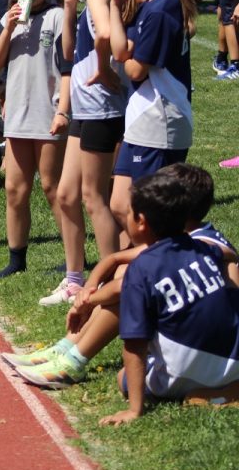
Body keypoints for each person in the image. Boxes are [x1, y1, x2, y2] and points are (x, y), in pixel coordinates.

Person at [7, 164, 238, 390]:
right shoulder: (184, 237)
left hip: (202, 339)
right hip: (197, 338)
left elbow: (127, 287)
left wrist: (88, 301)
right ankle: (66, 348)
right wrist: (88, 288)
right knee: (124, 272)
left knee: (129, 291)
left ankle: (73, 362)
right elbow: (114, 259)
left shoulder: (205, 246)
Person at [99, 169, 239, 426]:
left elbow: (135, 344)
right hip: (233, 361)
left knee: (123, 377)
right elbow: (227, 255)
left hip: (186, 372)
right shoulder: (205, 247)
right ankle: (228, 386)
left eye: (128, 213)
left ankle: (213, 394)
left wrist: (134, 409)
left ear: (141, 222)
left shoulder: (141, 271)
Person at [50, 0, 128, 305]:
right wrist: (68, 6)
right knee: (67, 194)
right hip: (85, 108)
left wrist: (103, 67)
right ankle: (74, 278)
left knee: (93, 197)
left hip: (102, 108)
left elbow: (107, 36)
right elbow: (69, 51)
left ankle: (107, 282)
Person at [0, 0, 71, 279]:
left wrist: (62, 108)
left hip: (49, 112)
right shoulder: (12, 18)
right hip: (18, 112)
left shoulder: (58, 17)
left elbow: (68, 67)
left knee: (52, 186)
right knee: (15, 189)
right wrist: (7, 28)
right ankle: (16, 258)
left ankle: (71, 254)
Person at [108, 0, 197, 227]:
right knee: (120, 204)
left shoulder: (162, 10)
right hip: (142, 117)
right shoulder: (154, 4)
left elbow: (133, 68)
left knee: (151, 216)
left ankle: (171, 263)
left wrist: (127, 58)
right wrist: (115, 5)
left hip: (160, 121)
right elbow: (122, 52)